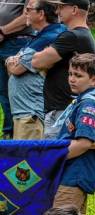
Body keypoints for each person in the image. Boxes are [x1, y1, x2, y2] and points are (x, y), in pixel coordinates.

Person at [51, 53, 95, 215]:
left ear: (94, 79)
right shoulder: (82, 99)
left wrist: (52, 158)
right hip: (75, 172)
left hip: (75, 173)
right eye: (70, 74)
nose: (72, 79)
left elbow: (83, 142)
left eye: (78, 75)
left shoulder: (89, 104)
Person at [31, 0, 95, 139]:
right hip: (65, 108)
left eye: (61, 7)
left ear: (74, 9)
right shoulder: (83, 35)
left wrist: (43, 57)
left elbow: (36, 61)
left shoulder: (71, 36)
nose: (57, 11)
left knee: (54, 158)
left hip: (61, 111)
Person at [5, 0, 64, 140]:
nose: (25, 12)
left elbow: (17, 68)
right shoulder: (40, 35)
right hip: (24, 114)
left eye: (29, 9)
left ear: (41, 14)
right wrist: (10, 61)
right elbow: (12, 66)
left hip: (30, 115)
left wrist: (12, 61)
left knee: (27, 160)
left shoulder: (49, 37)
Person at [0, 0, 33, 138]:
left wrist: (2, 31)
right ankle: (9, 132)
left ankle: (17, 134)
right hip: (3, 44)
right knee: (3, 91)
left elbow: (29, 16)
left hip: (17, 42)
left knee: (16, 91)